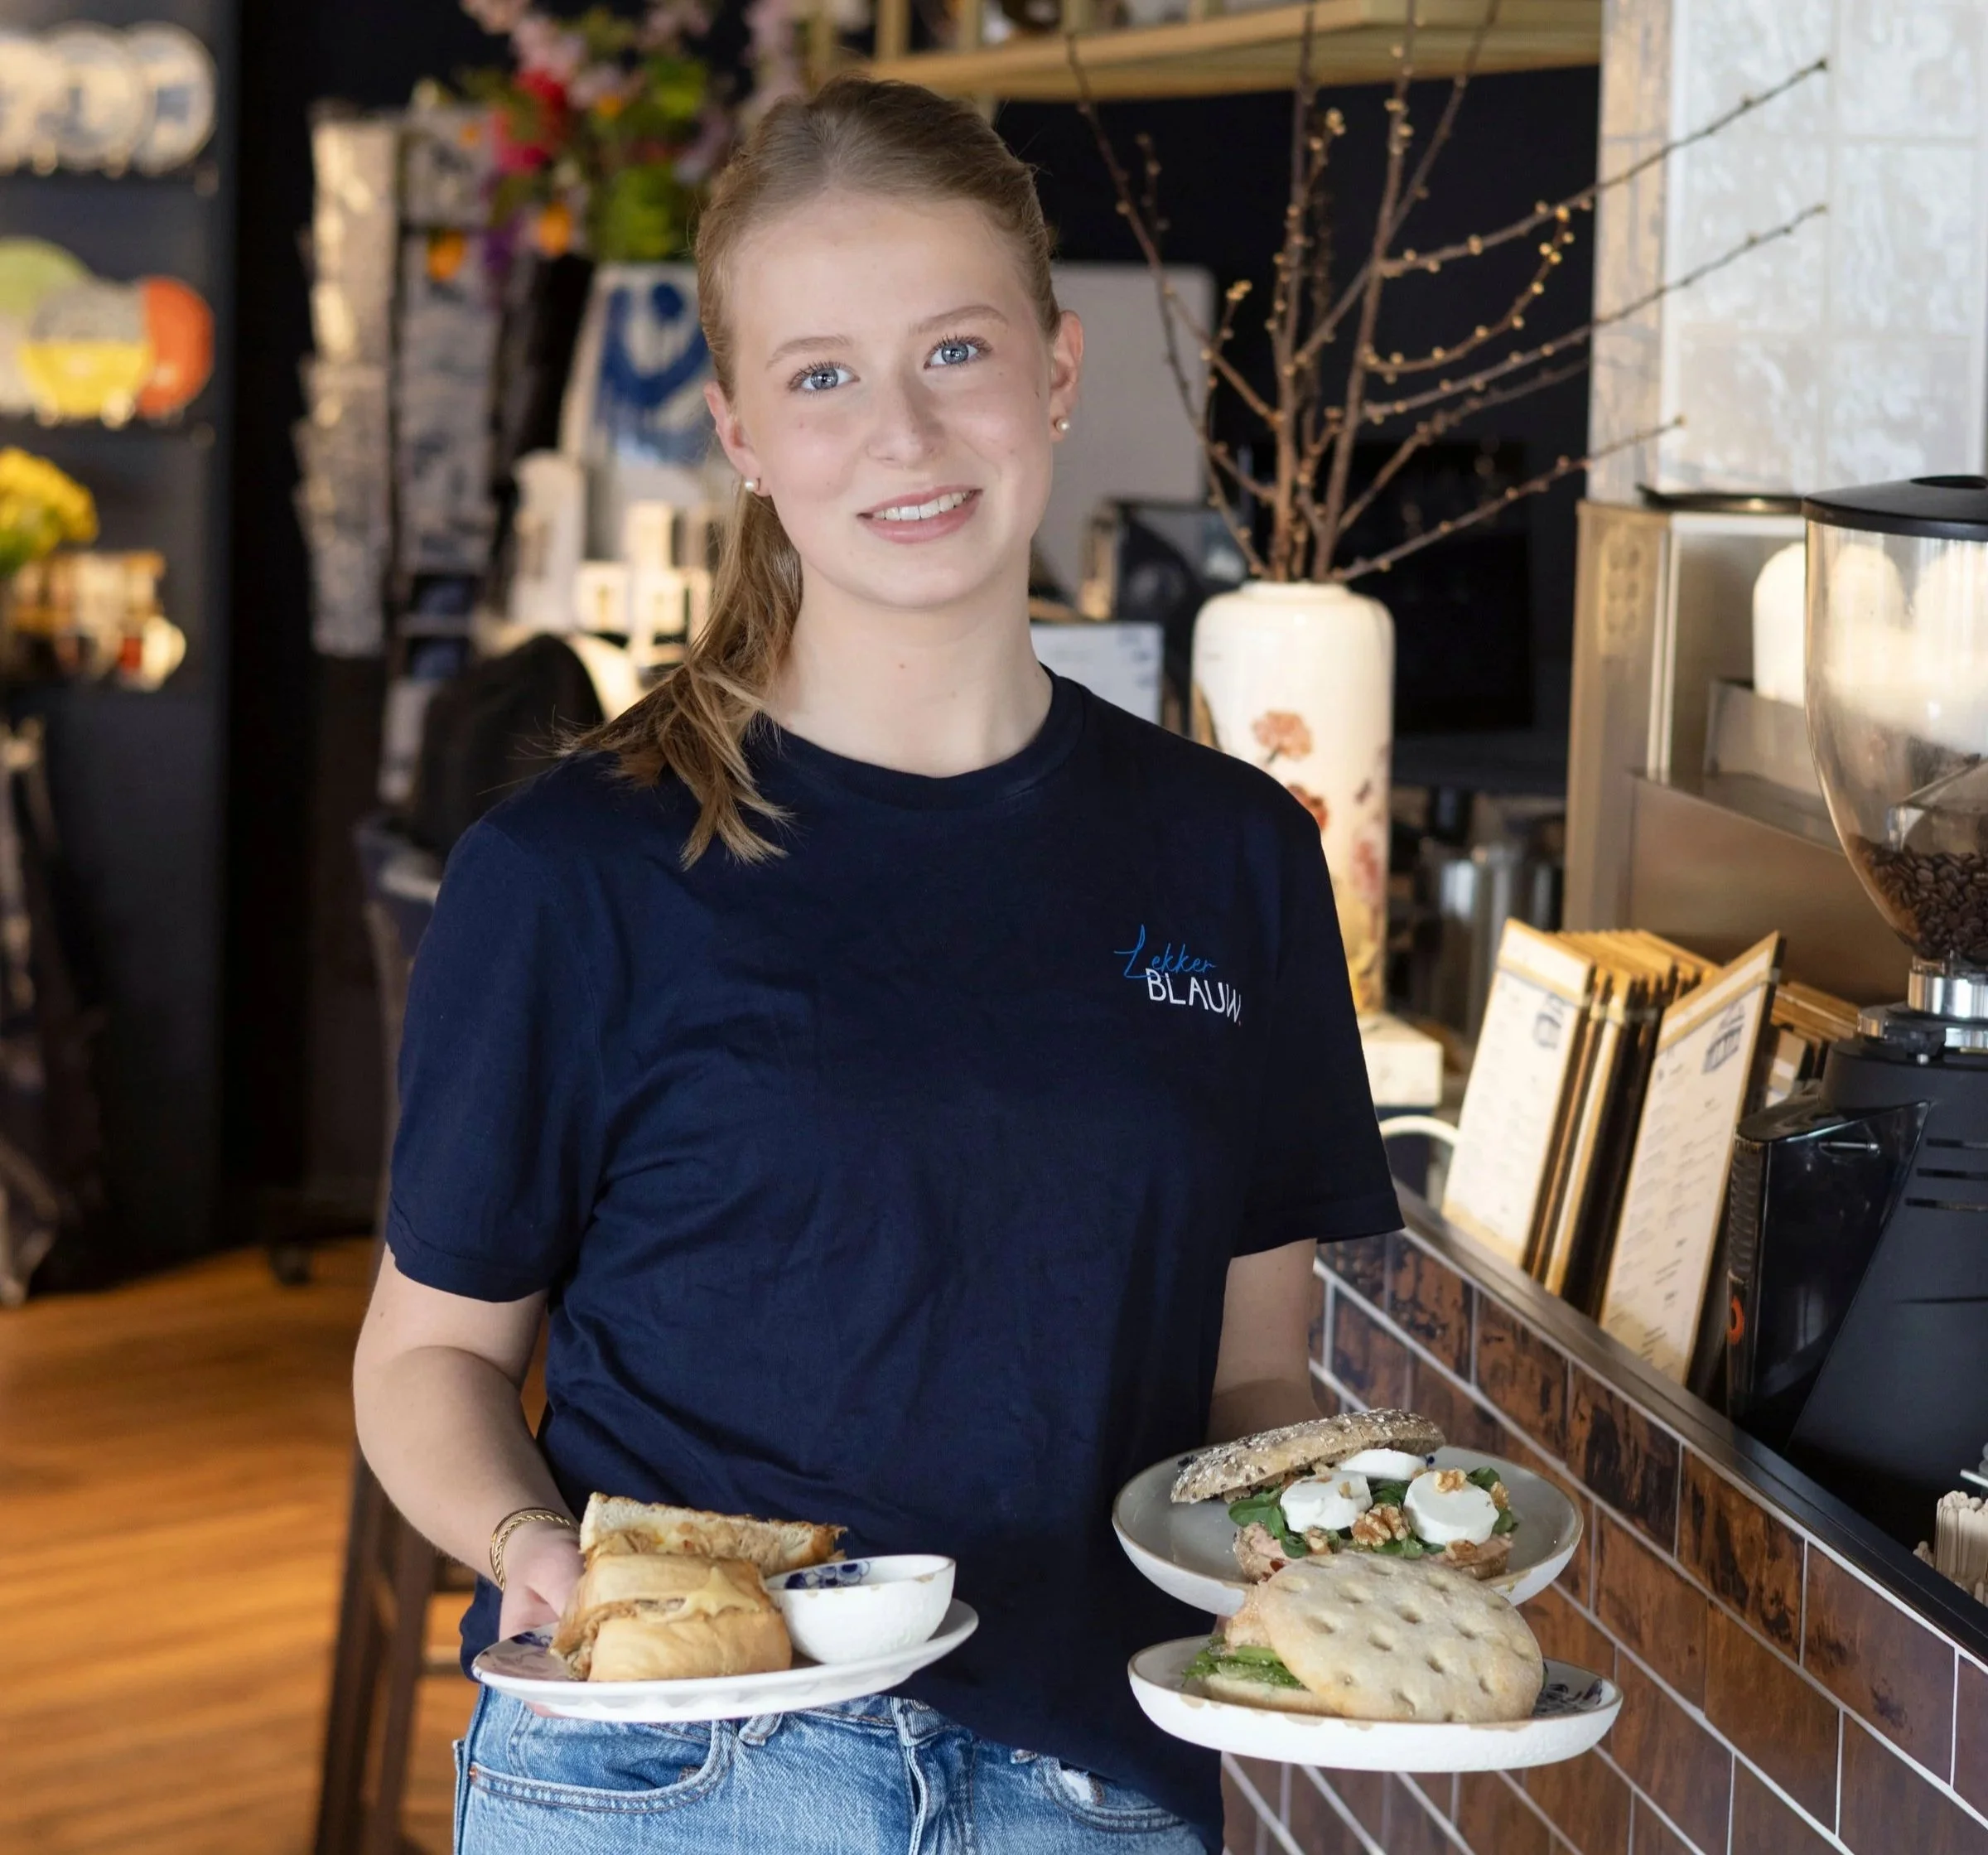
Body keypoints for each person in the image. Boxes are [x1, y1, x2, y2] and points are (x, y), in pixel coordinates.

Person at [352, 74, 1397, 1855]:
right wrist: (542, 1550)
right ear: (743, 430)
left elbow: (1247, 1384)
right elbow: (426, 1360)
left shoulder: (1235, 855)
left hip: (1099, 1781)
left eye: (957, 354)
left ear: (1060, 372)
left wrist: (1338, 1555)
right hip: (676, 1767)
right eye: (824, 375)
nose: (903, 436)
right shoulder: (574, 873)